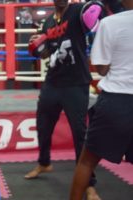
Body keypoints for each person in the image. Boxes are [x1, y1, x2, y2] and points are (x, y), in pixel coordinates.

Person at [25, 0, 102, 199]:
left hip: (76, 83)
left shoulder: (77, 11)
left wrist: (96, 8)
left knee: (79, 132)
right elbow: (46, 54)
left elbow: (93, 14)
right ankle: (44, 163)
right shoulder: (48, 22)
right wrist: (37, 47)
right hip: (52, 82)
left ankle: (89, 184)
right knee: (43, 125)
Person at [69, 0, 133, 199]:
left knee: (87, 161)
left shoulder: (111, 23)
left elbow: (102, 68)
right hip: (118, 100)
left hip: (117, 100)